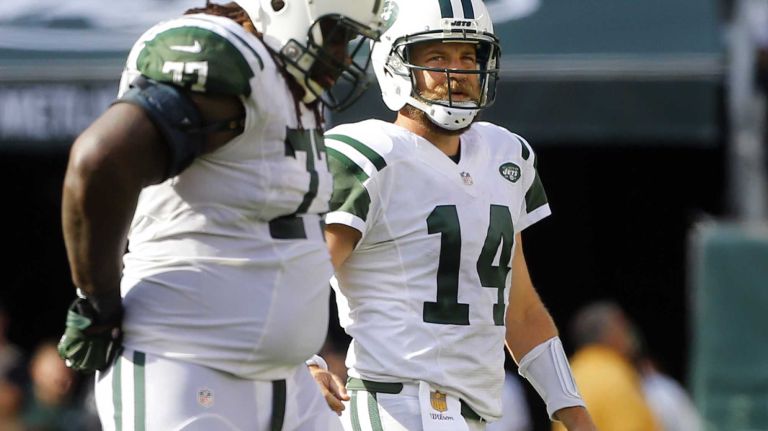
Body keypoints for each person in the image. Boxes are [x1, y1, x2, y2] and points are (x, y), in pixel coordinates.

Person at [56, 1, 384, 429]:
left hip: (286, 379)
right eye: (336, 34)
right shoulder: (229, 57)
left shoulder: (288, 93)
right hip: (185, 364)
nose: (342, 56)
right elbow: (100, 160)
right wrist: (98, 299)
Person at [311, 0, 597, 429]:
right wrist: (304, 361)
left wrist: (574, 413)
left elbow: (520, 313)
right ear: (394, 63)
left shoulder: (507, 156)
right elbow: (299, 278)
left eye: (468, 56)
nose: (458, 71)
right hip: (394, 407)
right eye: (437, 56)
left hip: (475, 414)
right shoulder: (371, 155)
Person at [552, 301, 660, 431]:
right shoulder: (615, 376)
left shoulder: (570, 374)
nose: (631, 333)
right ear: (612, 333)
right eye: (623, 326)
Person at [20, 340, 87, 431]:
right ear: (34, 369)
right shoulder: (15, 403)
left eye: (67, 368)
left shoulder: (83, 413)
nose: (62, 375)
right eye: (55, 368)